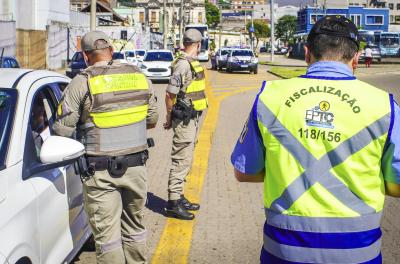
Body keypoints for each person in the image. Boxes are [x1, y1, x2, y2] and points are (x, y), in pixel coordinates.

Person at [231, 15, 400, 264]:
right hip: (358, 252)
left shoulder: (269, 98)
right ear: (355, 58)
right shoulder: (386, 106)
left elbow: (244, 172)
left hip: (284, 251)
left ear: (307, 53)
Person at [53, 31, 158, 264]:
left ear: (85, 55)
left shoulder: (82, 81)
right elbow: (152, 119)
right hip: (136, 167)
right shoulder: (139, 76)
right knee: (135, 228)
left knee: (108, 238)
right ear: (111, 49)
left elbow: (61, 130)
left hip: (100, 172)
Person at [163, 29, 208, 220]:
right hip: (184, 120)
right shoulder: (183, 65)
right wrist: (169, 117)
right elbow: (169, 94)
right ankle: (173, 202)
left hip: (191, 119)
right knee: (181, 159)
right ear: (198, 45)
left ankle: (179, 196)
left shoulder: (190, 63)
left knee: (186, 158)